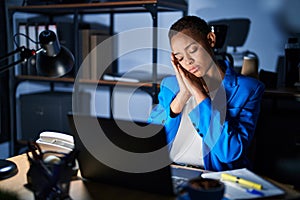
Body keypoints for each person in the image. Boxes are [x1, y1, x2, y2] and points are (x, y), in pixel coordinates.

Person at [148, 15, 265, 171]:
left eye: (193, 50)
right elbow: (150, 144)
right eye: (180, 57)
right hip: (170, 172)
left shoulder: (248, 89)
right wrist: (183, 96)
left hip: (212, 177)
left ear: (210, 39)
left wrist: (199, 94)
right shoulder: (169, 85)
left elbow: (229, 153)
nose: (188, 61)